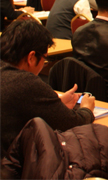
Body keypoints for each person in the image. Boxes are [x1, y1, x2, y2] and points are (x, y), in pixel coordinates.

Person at [1, 20, 96, 155]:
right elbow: (73, 123)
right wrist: (87, 109)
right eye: (45, 60)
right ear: (31, 57)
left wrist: (56, 104)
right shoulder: (26, 82)